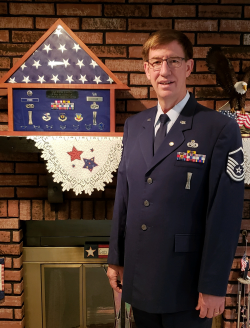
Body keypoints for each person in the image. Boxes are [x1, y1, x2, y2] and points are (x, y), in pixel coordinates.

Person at [107, 29, 244, 328]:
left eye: (174, 61)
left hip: (187, 284)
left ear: (189, 67)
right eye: (156, 62)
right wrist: (115, 257)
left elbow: (225, 215)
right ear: (146, 69)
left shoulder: (219, 129)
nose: (164, 71)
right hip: (139, 277)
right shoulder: (134, 126)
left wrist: (213, 285)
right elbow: (125, 197)